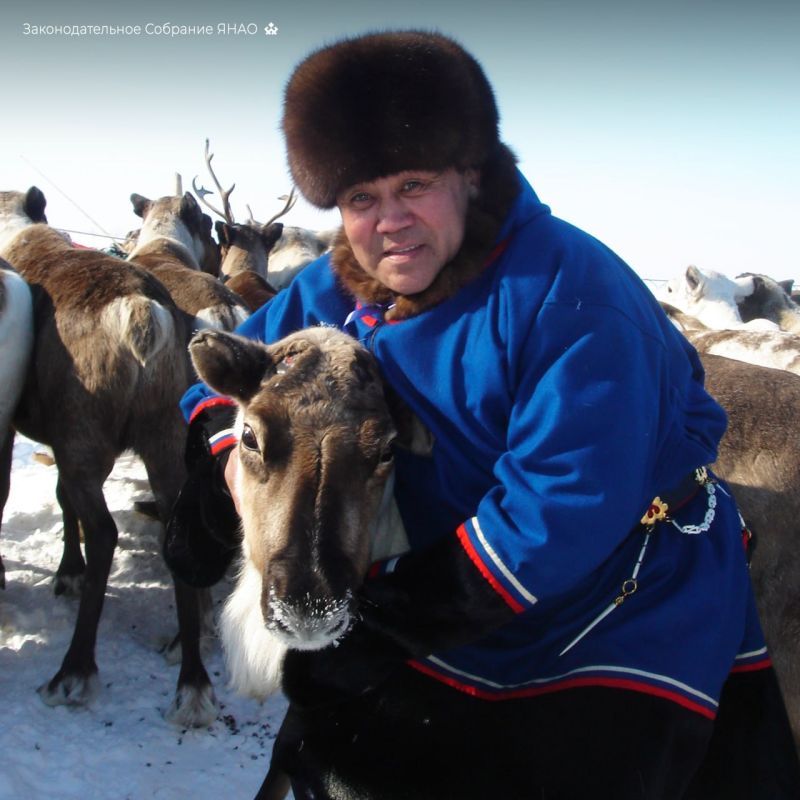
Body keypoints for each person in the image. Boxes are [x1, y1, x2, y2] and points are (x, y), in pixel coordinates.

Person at [164, 30, 800, 799]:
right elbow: (227, 372)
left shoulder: (570, 293)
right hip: (444, 596)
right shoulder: (337, 290)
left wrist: (387, 625)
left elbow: (561, 509)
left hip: (612, 612)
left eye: (413, 185)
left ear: (469, 173)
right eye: (362, 198)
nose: (389, 221)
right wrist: (218, 461)